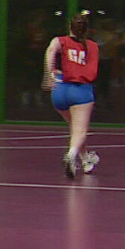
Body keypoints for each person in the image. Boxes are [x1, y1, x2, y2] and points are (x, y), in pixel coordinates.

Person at [43, 13, 100, 178]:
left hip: (60, 89)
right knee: (80, 130)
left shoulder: (60, 41)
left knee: (75, 128)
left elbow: (50, 51)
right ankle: (71, 154)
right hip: (80, 90)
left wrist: (49, 73)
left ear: (70, 27)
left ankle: (86, 160)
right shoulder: (92, 46)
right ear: (87, 30)